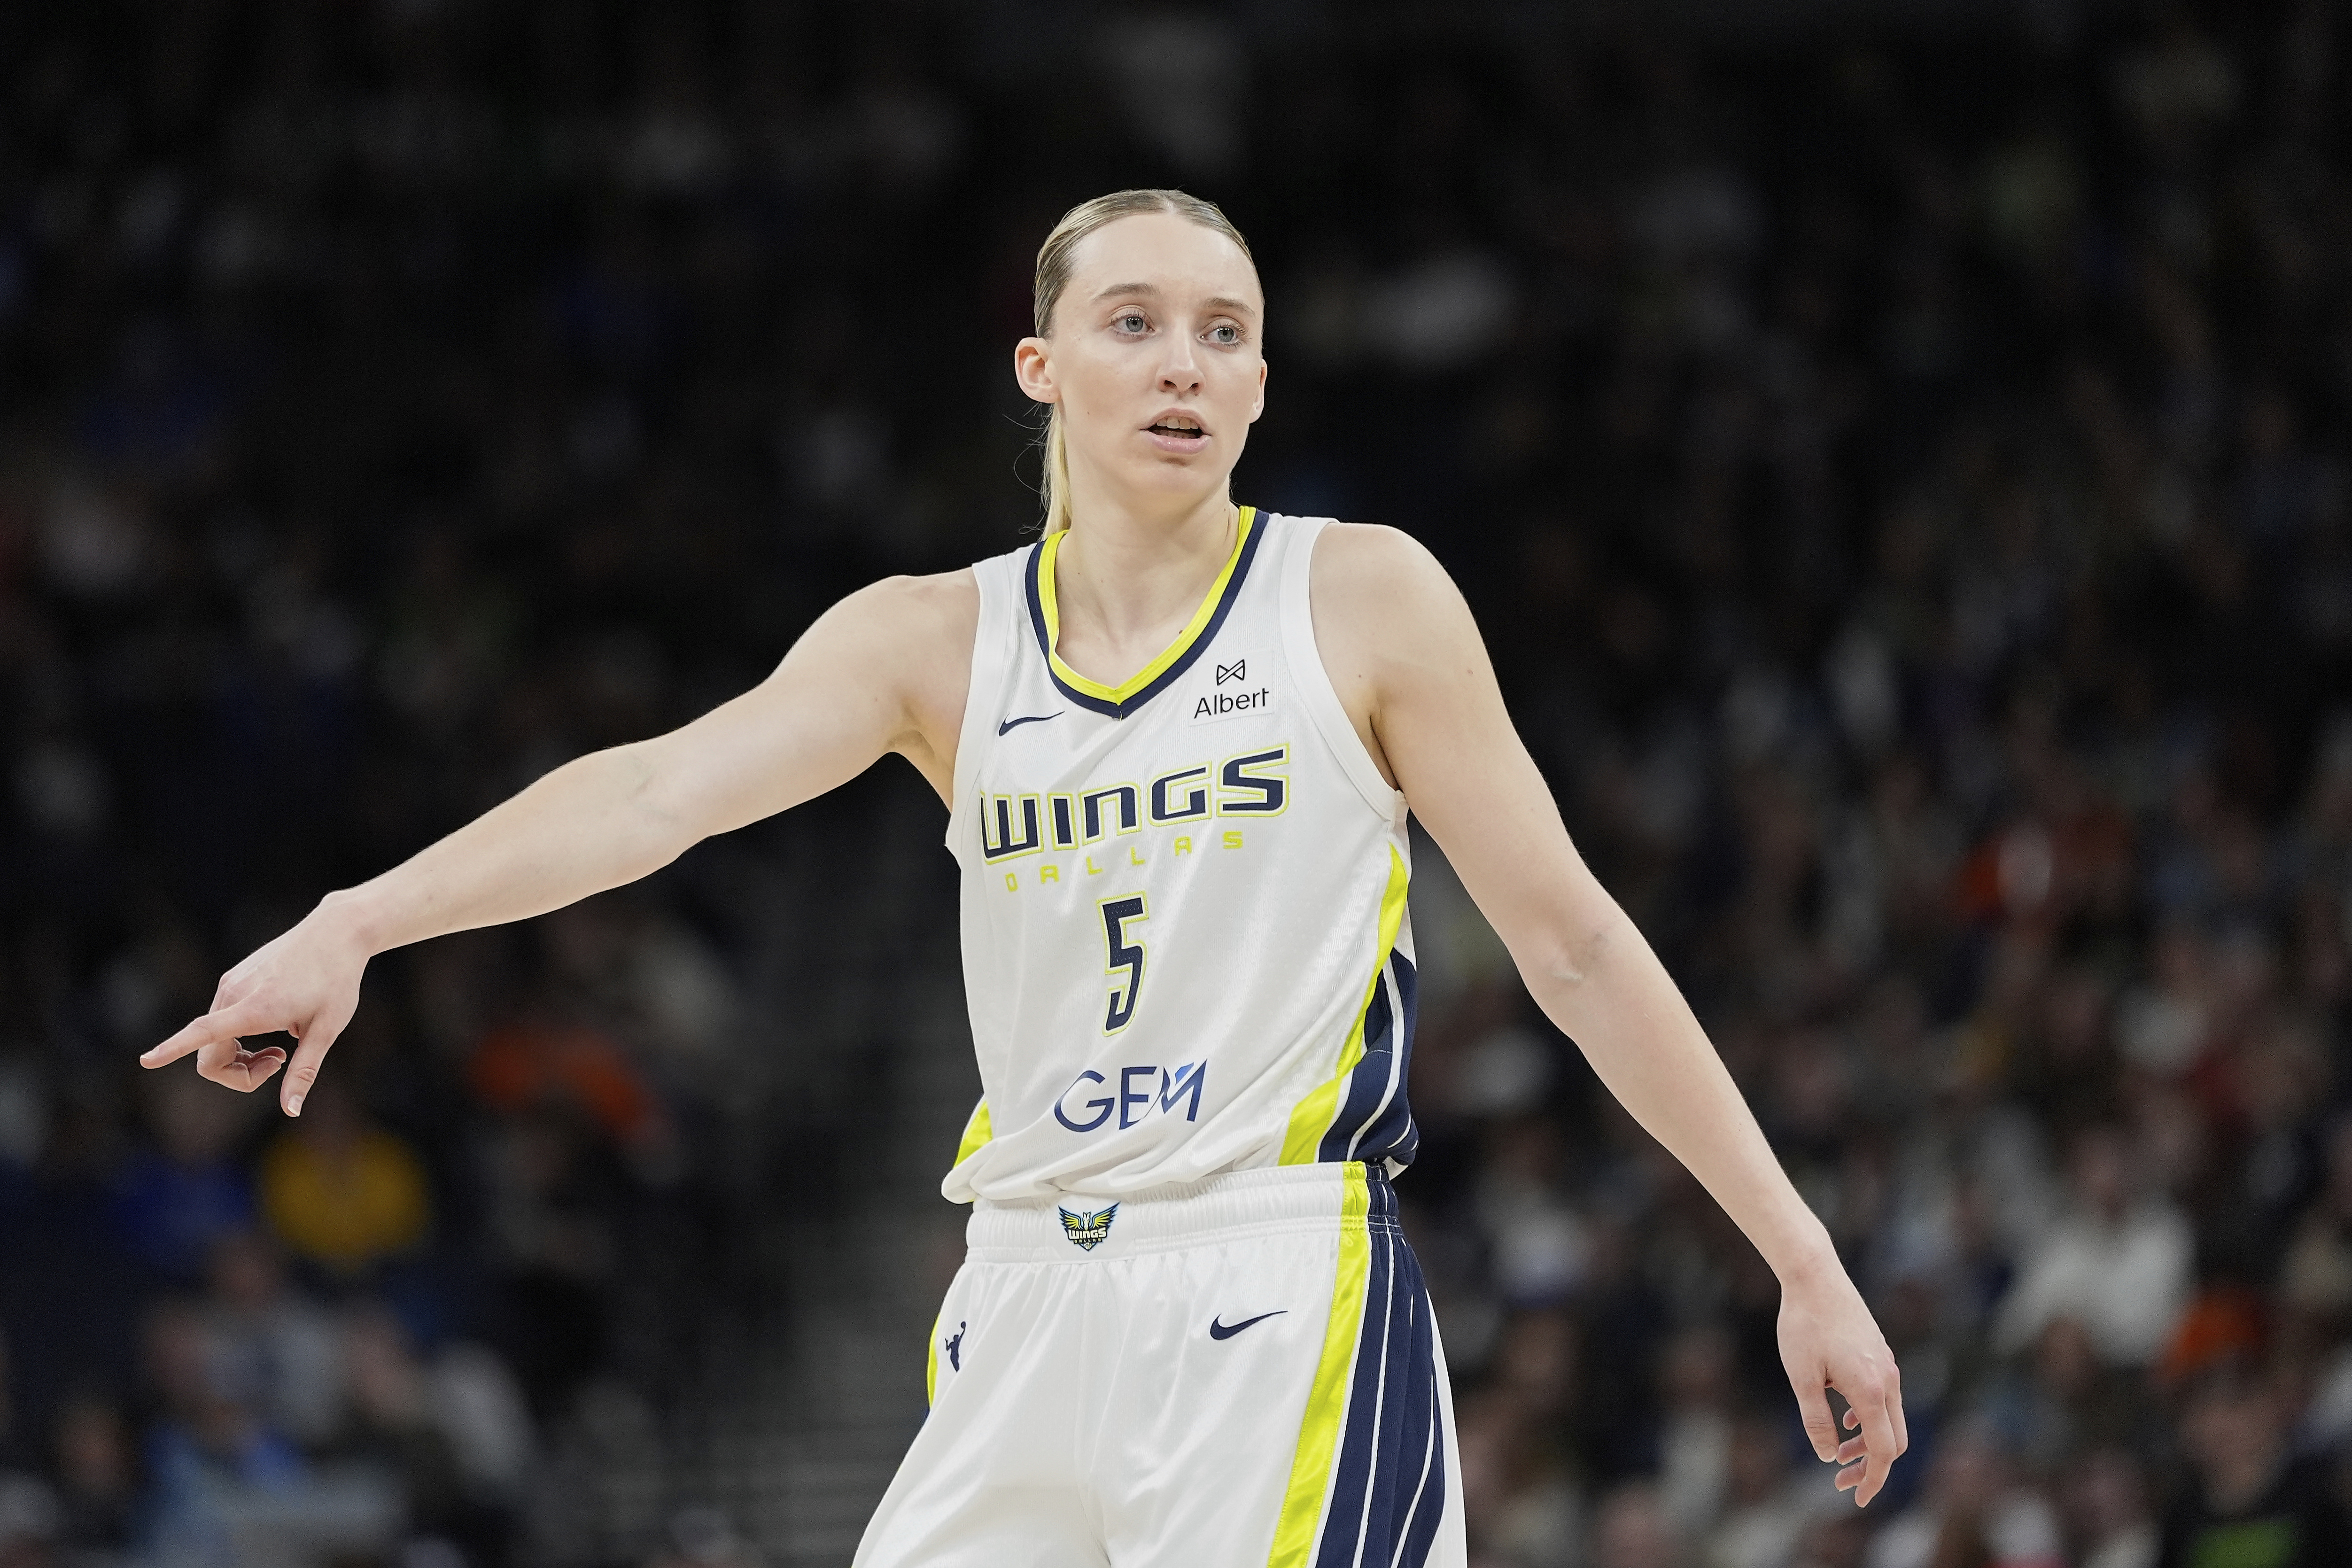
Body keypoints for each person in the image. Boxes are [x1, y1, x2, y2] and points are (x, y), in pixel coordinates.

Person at [141, 188, 1906, 1566]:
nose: (1184, 363)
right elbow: (651, 796)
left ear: (1265, 383)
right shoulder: (932, 640)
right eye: (1133, 323)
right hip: (1019, 1292)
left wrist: (1802, 1256)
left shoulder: (1359, 598)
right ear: (1041, 365)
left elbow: (1579, 946)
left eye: (1226, 332)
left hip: (1275, 1282)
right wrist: (359, 919)